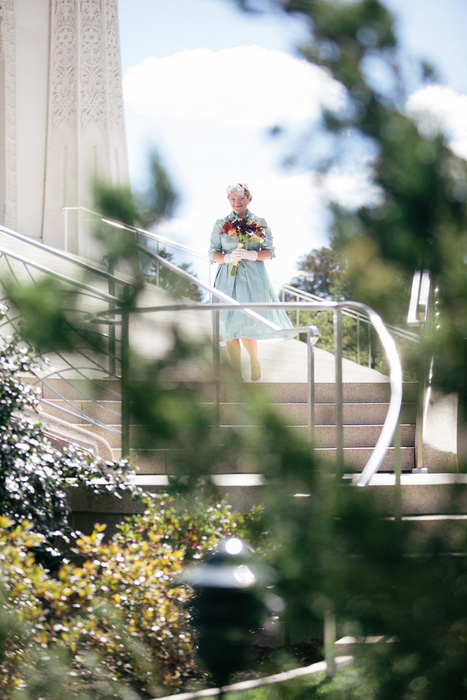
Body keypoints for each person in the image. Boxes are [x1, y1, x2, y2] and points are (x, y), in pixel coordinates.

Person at [208, 182, 295, 381]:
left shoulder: (259, 222)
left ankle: (254, 361)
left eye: (241, 198)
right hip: (227, 280)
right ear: (228, 201)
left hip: (252, 280)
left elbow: (270, 252)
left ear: (248, 198)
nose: (237, 202)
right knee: (229, 328)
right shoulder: (221, 224)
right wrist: (228, 258)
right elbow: (213, 253)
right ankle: (236, 372)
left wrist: (251, 254)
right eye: (232, 199)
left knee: (246, 324)